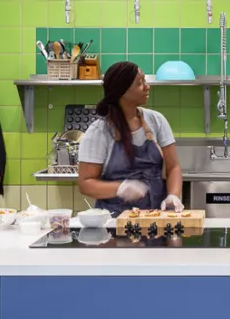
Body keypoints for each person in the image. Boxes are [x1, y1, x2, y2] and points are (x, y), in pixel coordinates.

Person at [77, 61, 184, 213]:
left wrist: (173, 195)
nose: (147, 87)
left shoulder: (156, 120)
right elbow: (85, 183)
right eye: (140, 83)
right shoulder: (99, 131)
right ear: (122, 91)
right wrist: (120, 188)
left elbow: (173, 167)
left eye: (145, 81)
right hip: (114, 223)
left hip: (155, 218)